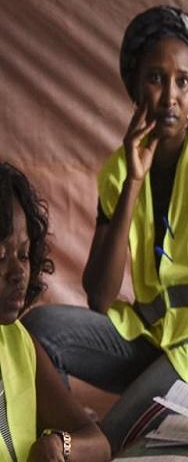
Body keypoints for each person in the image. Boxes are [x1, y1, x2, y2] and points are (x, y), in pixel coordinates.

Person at [23, 5, 188, 454]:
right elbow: (100, 297)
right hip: (154, 339)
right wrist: (133, 181)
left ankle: (76, 446)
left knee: (117, 430)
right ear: (135, 85)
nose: (170, 95)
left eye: (182, 81)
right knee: (37, 331)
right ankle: (72, 429)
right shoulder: (118, 171)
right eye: (156, 78)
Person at [0, 162, 111, 462]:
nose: (18, 273)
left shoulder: (18, 343)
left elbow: (99, 444)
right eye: (0, 256)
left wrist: (60, 445)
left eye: (23, 255)